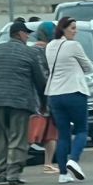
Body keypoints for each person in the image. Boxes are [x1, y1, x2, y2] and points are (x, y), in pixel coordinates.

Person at [0, 19, 47, 185]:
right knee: (18, 137)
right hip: (20, 102)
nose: (28, 36)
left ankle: (1, 172)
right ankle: (13, 173)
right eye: (26, 33)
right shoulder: (30, 53)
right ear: (19, 34)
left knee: (0, 137)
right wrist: (44, 103)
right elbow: (40, 81)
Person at [46, 17, 93, 184]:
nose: (75, 31)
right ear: (64, 29)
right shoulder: (74, 46)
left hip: (54, 94)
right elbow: (88, 66)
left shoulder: (50, 46)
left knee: (63, 134)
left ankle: (63, 173)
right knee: (81, 129)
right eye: (73, 28)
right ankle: (73, 159)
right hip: (74, 91)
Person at [33, 21, 61, 175]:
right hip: (47, 96)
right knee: (50, 133)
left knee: (27, 132)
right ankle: (48, 163)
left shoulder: (29, 51)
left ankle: (13, 166)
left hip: (30, 97)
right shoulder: (52, 52)